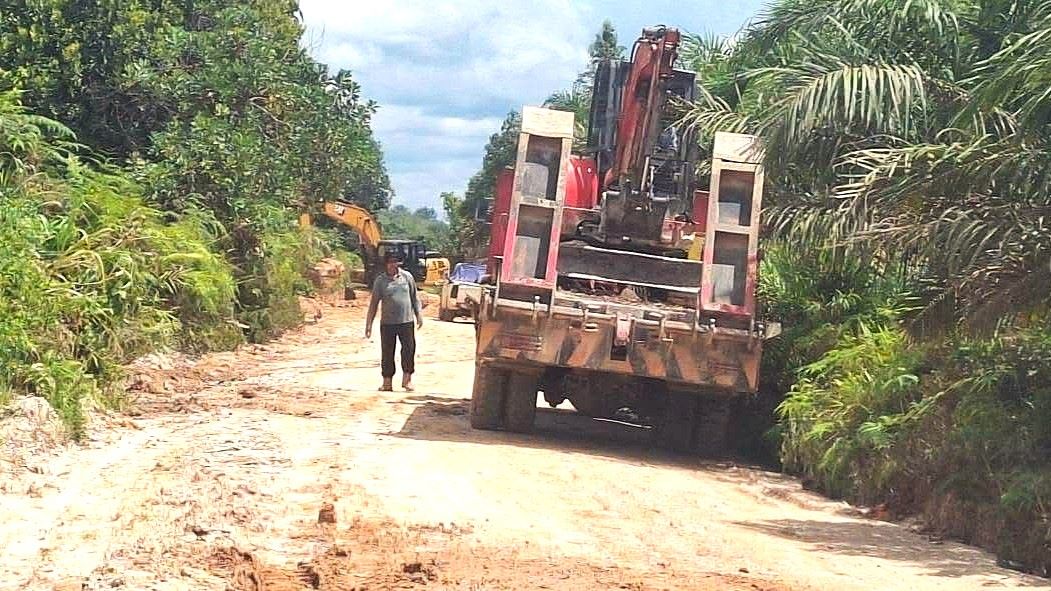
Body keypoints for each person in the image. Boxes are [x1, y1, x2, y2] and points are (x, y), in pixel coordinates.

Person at [365, 252, 424, 392]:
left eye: (395, 261)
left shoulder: (407, 277)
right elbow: (374, 304)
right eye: (390, 262)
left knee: (409, 350)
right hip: (387, 323)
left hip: (406, 321)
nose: (393, 264)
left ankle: (407, 380)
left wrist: (419, 315)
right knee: (387, 352)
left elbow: (414, 298)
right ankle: (387, 382)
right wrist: (369, 325)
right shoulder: (380, 281)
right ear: (385, 264)